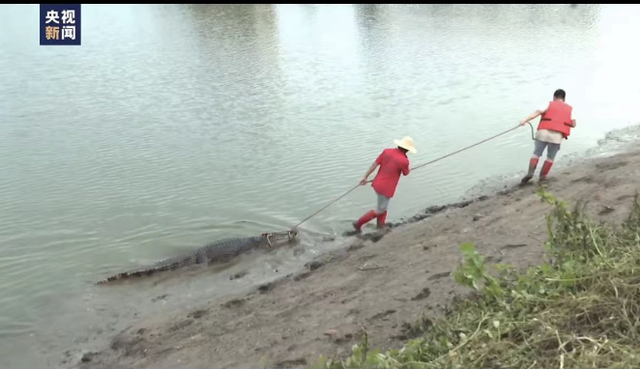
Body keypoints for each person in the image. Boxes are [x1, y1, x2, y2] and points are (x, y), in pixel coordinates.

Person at [353, 136, 416, 233]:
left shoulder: (386, 151)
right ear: (407, 150)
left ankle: (380, 227)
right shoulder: (404, 161)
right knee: (380, 210)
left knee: (383, 208)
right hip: (386, 188)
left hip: (377, 183)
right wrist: (407, 167)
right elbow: (406, 173)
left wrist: (365, 177)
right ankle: (358, 224)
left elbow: (374, 164)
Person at [519, 89, 577, 184]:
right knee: (550, 157)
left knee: (536, 154)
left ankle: (530, 173)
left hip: (543, 133)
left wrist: (524, 120)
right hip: (557, 136)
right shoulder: (570, 109)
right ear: (564, 99)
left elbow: (536, 113)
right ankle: (542, 177)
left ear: (554, 97)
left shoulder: (549, 104)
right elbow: (573, 124)